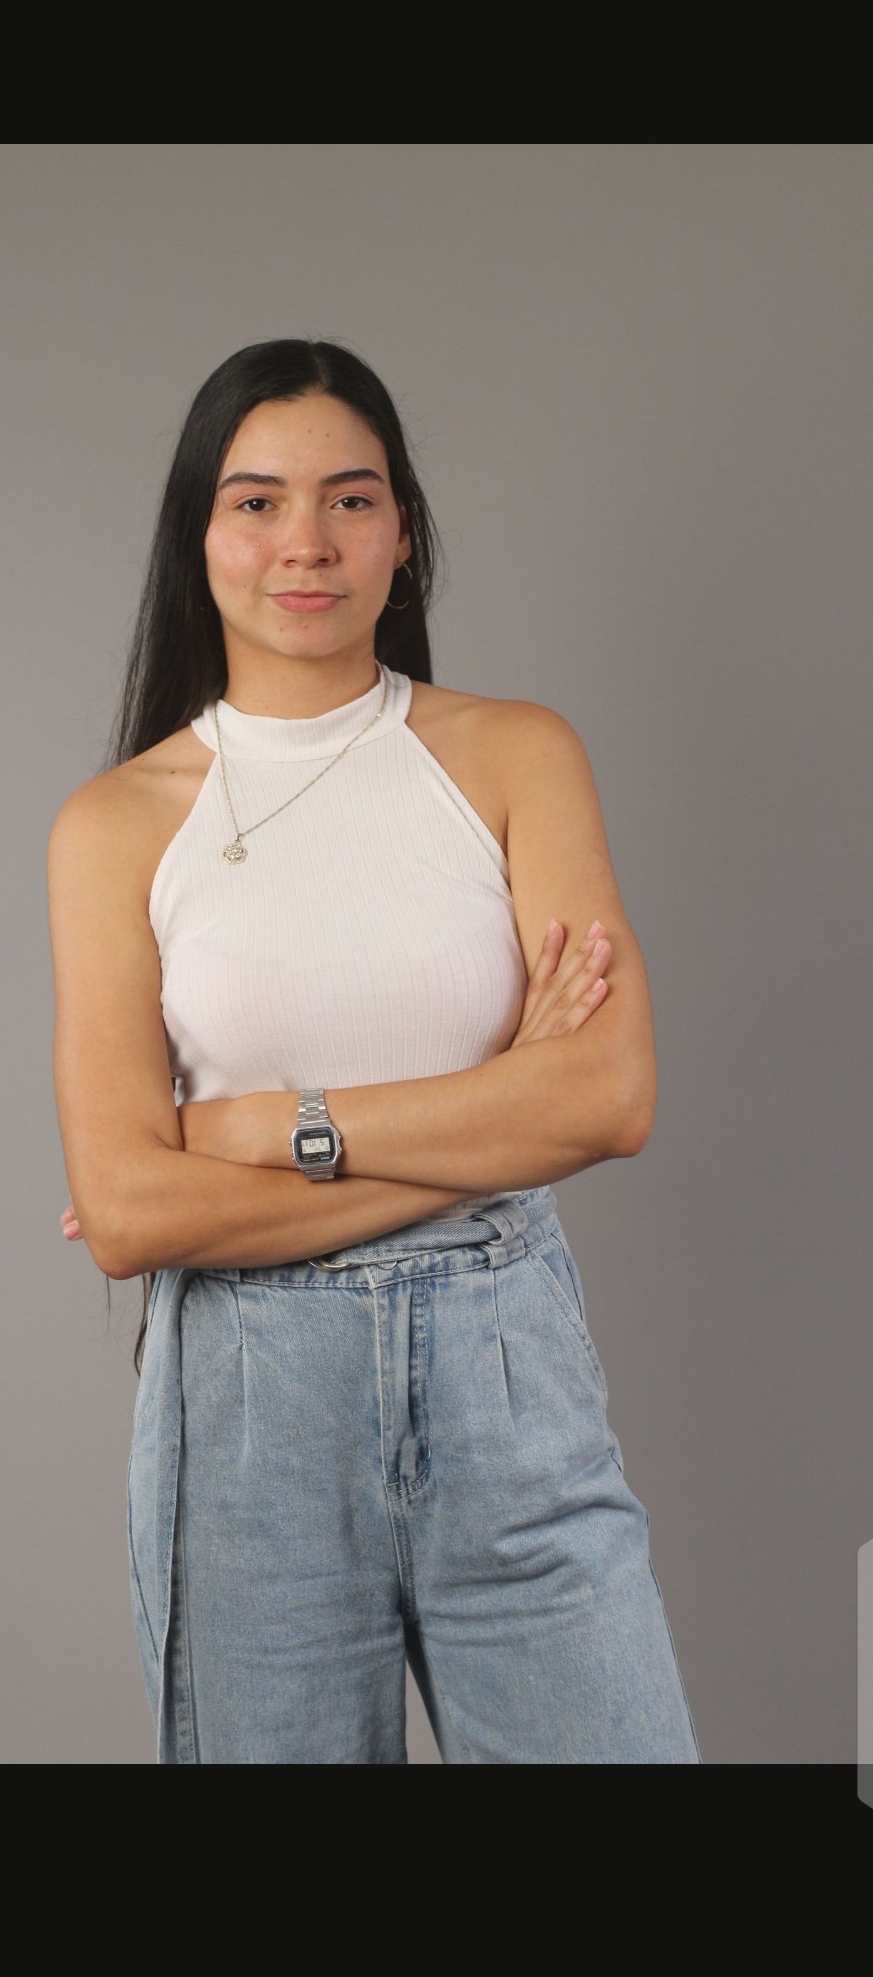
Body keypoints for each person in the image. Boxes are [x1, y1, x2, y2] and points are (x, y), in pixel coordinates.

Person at [47, 337, 700, 1766]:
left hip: (509, 1377)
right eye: (257, 501)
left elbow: (609, 1095)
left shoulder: (515, 755)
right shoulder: (117, 827)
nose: (307, 541)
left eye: (351, 498)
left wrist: (263, 1130)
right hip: (248, 1414)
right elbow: (132, 1216)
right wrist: (495, 1124)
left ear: (404, 534)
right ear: (199, 535)